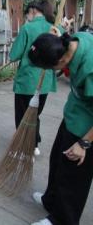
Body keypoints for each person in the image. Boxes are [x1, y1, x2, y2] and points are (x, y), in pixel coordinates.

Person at [28, 32, 93, 225]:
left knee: (73, 175)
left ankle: (62, 220)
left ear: (62, 59)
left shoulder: (90, 68)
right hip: (74, 113)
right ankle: (51, 200)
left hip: (86, 126)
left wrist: (84, 143)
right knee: (58, 159)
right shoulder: (73, 40)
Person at [9, 1, 58, 156]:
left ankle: (24, 146)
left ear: (33, 11)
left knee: (24, 115)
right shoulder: (56, 29)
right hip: (46, 82)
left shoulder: (27, 28)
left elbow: (13, 55)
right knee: (34, 114)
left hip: (27, 81)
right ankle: (34, 144)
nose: (27, 16)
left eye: (27, 13)